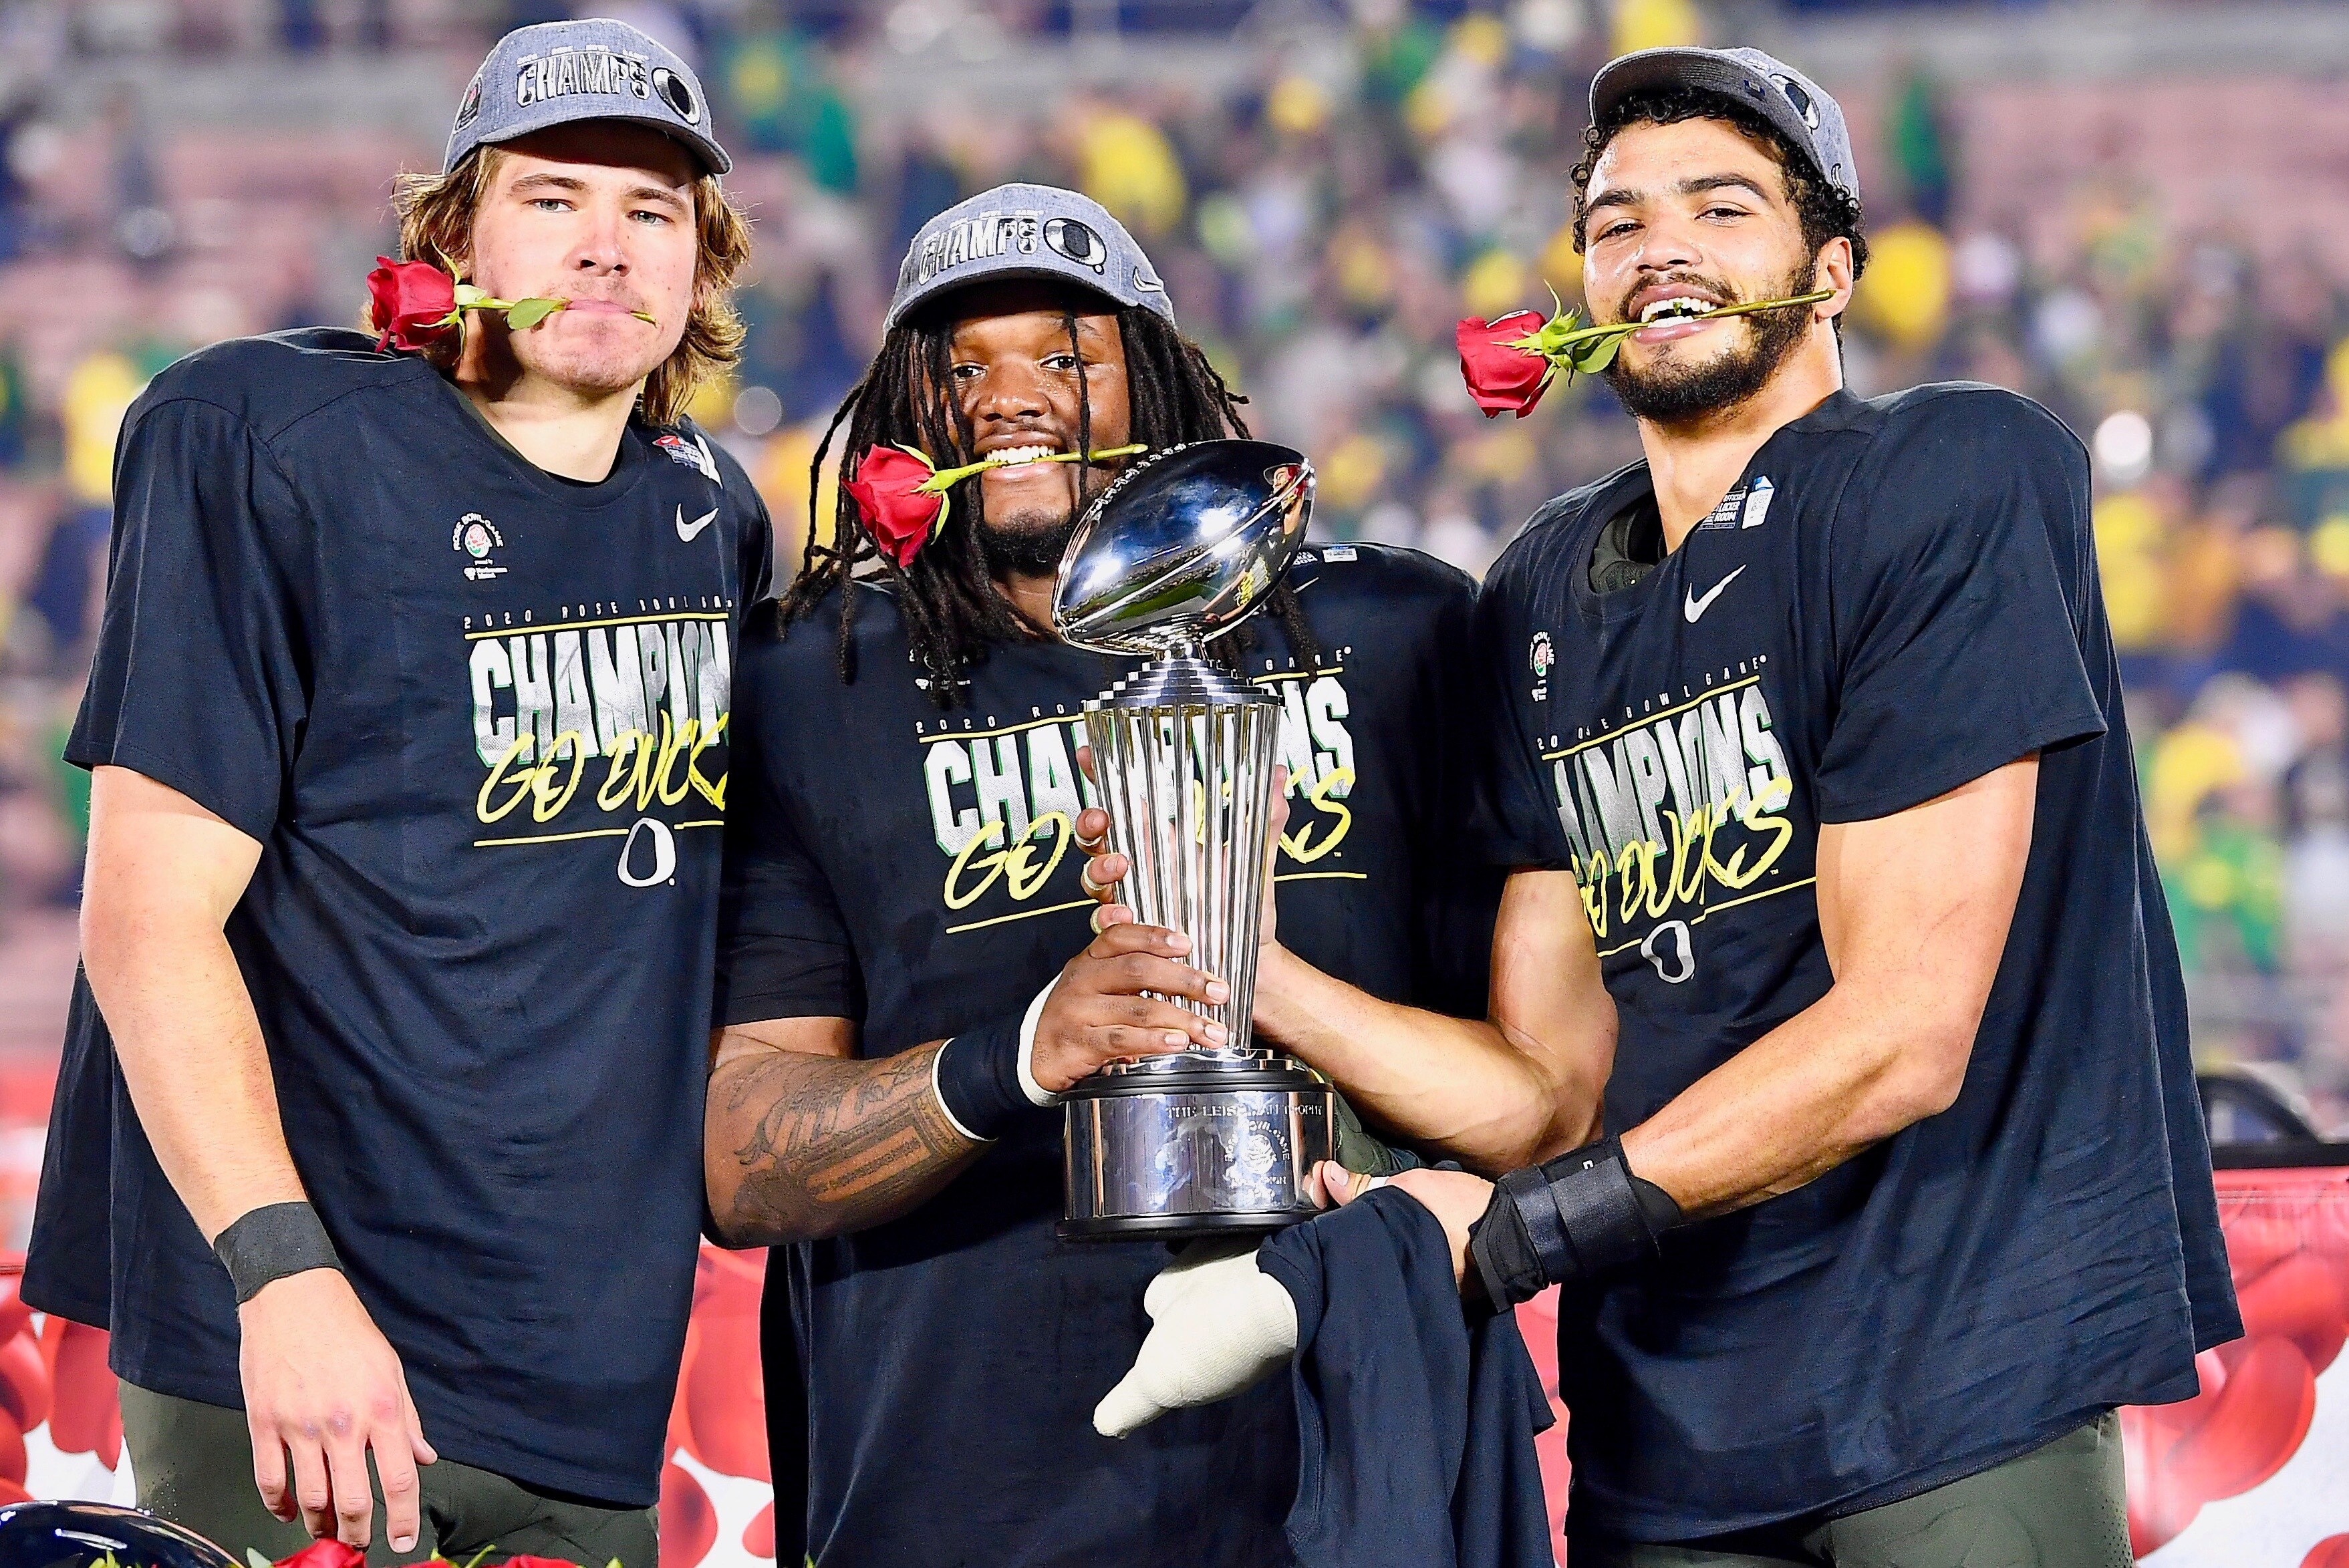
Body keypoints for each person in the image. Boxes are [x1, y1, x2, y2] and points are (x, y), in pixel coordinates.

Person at [1094, 47, 2239, 1568]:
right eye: (1618, 223)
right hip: (1672, 1426)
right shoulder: (1539, 590)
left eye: (1723, 207)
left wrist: (1514, 1236)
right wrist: (1238, 964)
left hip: (1960, 1372)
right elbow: (1549, 1094)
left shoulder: (1946, 475)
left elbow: (1904, 1033)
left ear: (1831, 272)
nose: (1663, 248)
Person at [24, 20, 770, 1565]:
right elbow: (150, 920)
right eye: (552, 197)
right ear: (454, 235)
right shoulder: (265, 442)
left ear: (700, 263)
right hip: (302, 1346)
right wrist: (283, 1277)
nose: (607, 244)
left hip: (586, 1367)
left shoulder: (713, 516)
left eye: (652, 210)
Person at [704, 183, 1494, 1567]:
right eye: (961, 366)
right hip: (960, 1498)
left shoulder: (1393, 634)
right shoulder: (812, 681)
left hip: (1339, 1477)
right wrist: (1016, 1057)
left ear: (1163, 384)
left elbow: (1545, 1095)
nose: (1011, 396)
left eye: (1068, 354)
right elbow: (742, 1160)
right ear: (904, 413)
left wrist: (1268, 987)